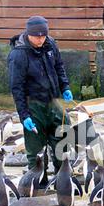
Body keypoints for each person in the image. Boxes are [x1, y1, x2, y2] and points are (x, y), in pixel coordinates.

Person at [8, 15, 73, 171]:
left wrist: (65, 87)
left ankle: (62, 176)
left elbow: (59, 67)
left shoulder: (50, 44)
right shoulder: (18, 55)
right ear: (28, 34)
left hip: (54, 101)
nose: (40, 40)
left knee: (62, 137)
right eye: (36, 37)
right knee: (36, 148)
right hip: (34, 106)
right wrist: (24, 115)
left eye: (43, 36)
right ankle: (36, 184)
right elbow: (17, 87)